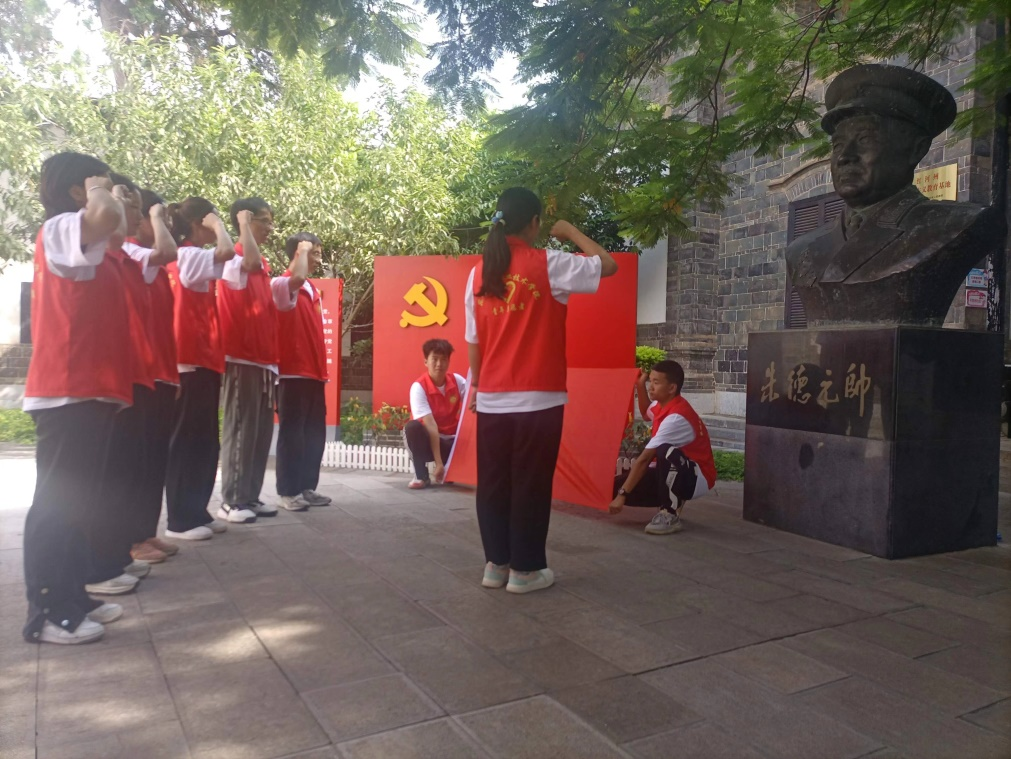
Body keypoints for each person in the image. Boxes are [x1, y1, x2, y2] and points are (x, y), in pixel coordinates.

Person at [465, 187, 618, 594]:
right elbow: (608, 265)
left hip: (493, 397)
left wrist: (477, 386)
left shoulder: (478, 273)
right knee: (530, 483)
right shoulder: (549, 264)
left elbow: (473, 342)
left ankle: (496, 565)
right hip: (539, 397)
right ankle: (526, 570)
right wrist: (570, 231)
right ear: (534, 223)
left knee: (493, 484)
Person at [21, 152, 132, 644]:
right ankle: (47, 611)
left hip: (91, 388)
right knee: (58, 503)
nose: (111, 191)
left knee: (81, 502)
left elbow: (116, 228)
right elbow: (106, 215)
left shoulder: (90, 239)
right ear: (77, 189)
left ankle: (73, 594)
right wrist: (98, 190)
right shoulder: (61, 227)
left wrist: (105, 192)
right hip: (66, 389)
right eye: (99, 180)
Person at [80, 173, 161, 596]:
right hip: (89, 382)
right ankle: (91, 571)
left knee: (125, 472)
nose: (135, 215)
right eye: (129, 204)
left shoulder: (123, 259)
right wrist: (107, 194)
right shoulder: (70, 238)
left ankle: (114, 558)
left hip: (125, 377)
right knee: (98, 481)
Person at [163, 197, 237, 540]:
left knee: (205, 442)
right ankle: (180, 519)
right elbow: (228, 252)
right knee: (188, 441)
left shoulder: (194, 257)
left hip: (203, 359)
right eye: (210, 219)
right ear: (198, 223)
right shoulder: (187, 255)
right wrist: (218, 224)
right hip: (188, 362)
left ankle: (196, 510)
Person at [123, 188, 181, 561]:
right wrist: (157, 217)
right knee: (136, 461)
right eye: (157, 217)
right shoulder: (131, 253)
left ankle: (145, 532)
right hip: (140, 372)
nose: (165, 226)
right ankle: (130, 539)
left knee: (154, 460)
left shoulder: (150, 264)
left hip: (160, 371)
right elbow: (167, 251)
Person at [216, 197, 280, 520]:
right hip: (241, 357)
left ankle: (250, 496)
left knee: (259, 433)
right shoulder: (233, 258)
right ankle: (232, 500)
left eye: (270, 221)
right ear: (245, 220)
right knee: (240, 429)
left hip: (264, 360)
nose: (270, 227)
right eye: (263, 221)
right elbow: (250, 261)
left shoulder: (261, 264)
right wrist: (242, 224)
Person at [609, 360, 717, 535]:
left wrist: (622, 495)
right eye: (650, 381)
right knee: (612, 490)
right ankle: (673, 498)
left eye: (656, 382)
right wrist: (639, 385)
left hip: (697, 478)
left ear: (672, 388)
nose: (651, 387)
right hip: (678, 470)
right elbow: (646, 413)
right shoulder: (663, 404)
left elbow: (645, 459)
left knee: (665, 450)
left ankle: (669, 513)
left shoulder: (676, 417)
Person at [271, 232, 332, 510]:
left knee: (313, 435)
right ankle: (288, 491)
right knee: (292, 434)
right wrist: (303, 252)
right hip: (291, 372)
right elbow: (295, 278)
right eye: (313, 253)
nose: (318, 260)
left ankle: (307, 487)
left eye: (319, 253)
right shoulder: (282, 284)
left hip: (314, 373)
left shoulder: (312, 289)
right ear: (299, 254)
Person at [405, 339, 467, 489]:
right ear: (426, 361)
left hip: (450, 440)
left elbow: (471, 407)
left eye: (443, 359)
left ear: (449, 362)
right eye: (434, 359)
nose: (439, 364)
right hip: (427, 440)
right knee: (412, 427)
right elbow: (431, 425)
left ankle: (450, 470)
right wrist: (438, 463)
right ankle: (421, 475)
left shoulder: (458, 381)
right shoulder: (419, 387)